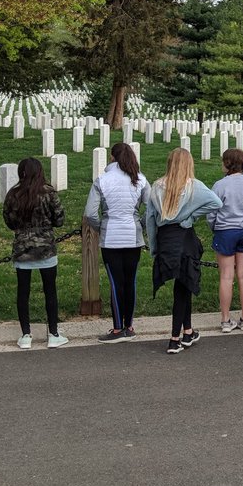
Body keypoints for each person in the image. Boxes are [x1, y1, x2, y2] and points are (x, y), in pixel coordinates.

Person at [145, 148, 222, 354]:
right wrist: (191, 217)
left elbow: (150, 221)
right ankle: (174, 339)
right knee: (182, 288)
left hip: (166, 239)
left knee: (184, 285)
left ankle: (188, 332)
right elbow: (216, 202)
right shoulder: (194, 186)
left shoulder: (156, 187)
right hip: (184, 238)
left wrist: (154, 248)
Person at [83, 142, 149, 343]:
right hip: (133, 236)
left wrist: (101, 226)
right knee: (131, 281)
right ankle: (129, 325)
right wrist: (141, 224)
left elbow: (90, 213)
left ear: (112, 158)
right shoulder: (140, 180)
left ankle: (118, 329)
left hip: (111, 237)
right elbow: (153, 208)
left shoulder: (102, 180)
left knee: (115, 282)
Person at [4, 157, 68, 350]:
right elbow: (59, 219)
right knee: (50, 291)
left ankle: (25, 335)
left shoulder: (14, 194)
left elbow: (9, 220)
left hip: (23, 248)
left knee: (23, 292)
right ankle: (54, 334)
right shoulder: (49, 193)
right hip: (46, 248)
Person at [208, 148, 243, 334]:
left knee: (226, 276)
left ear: (227, 163)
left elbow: (212, 212)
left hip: (226, 231)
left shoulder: (220, 185)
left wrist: (214, 227)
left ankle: (225, 319)